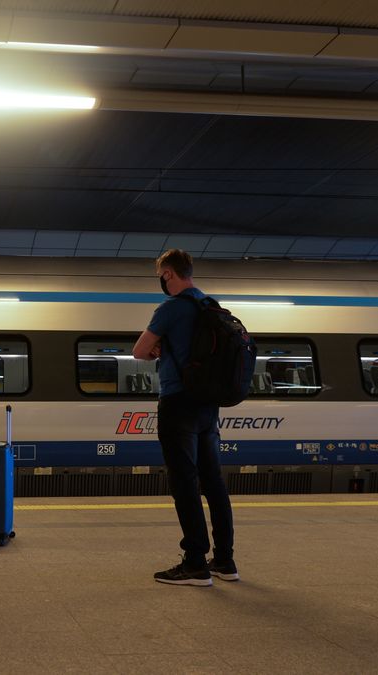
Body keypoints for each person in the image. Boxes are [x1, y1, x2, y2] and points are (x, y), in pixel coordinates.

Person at [132, 249, 237, 587]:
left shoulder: (171, 308)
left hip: (178, 404)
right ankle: (224, 560)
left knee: (184, 483)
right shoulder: (211, 306)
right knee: (214, 482)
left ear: (168, 274)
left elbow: (139, 351)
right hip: (208, 406)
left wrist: (159, 348)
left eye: (161, 275)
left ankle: (195, 563)